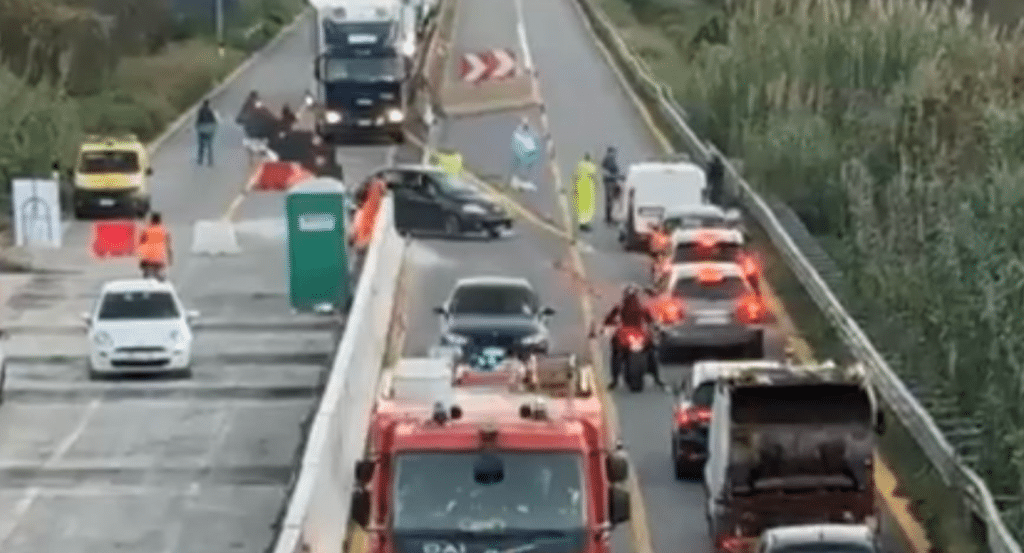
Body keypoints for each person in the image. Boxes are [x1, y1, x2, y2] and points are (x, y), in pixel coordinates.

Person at [601, 284, 664, 390]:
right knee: (652, 351)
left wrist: (608, 324)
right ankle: (657, 378)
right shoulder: (640, 307)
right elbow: (650, 321)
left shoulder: (621, 306)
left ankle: (615, 380)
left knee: (616, 353)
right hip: (635, 333)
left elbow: (609, 319)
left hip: (630, 333)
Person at [137, 212, 171, 280]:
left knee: (146, 274)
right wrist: (170, 258)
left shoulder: (146, 229)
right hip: (159, 258)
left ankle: (146, 280)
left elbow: (141, 242)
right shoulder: (164, 230)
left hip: (146, 258)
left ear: (151, 220)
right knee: (160, 275)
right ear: (159, 220)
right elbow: (168, 245)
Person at [509, 117, 539, 191]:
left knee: (526, 168)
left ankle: (520, 181)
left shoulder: (530, 131)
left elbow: (534, 138)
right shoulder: (518, 131)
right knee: (518, 167)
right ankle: (516, 182)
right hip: (521, 153)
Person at [572, 153, 598, 233]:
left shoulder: (580, 165)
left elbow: (575, 176)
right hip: (588, 188)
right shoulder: (592, 167)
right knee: (588, 207)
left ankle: (581, 223)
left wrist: (575, 188)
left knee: (581, 206)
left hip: (580, 186)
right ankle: (585, 224)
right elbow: (594, 178)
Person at [601, 146, 621, 224]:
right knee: (611, 200)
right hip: (610, 182)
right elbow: (613, 172)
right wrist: (616, 176)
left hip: (608, 182)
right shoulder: (609, 160)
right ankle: (610, 217)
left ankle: (608, 217)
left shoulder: (606, 159)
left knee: (609, 199)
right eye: (613, 152)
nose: (614, 154)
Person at [195, 99, 218, 166]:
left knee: (201, 145)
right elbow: (214, 121)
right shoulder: (210, 111)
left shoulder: (200, 111)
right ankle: (210, 161)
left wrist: (197, 127)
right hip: (208, 130)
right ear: (208, 104)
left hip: (202, 129)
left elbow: (198, 120)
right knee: (209, 146)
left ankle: (200, 160)